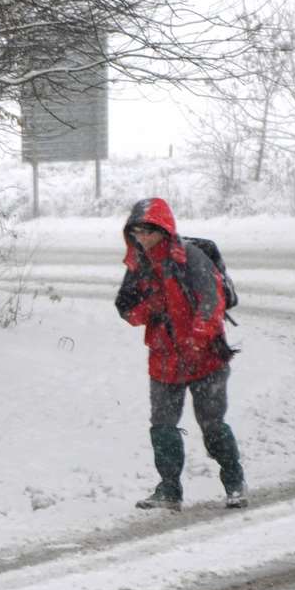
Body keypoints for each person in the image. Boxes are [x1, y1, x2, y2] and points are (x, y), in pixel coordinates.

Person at [115, 198, 246, 510]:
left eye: (148, 231)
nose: (142, 238)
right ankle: (169, 489)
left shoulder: (191, 257)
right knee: (162, 426)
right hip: (164, 358)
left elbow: (212, 302)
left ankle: (234, 480)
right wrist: (150, 309)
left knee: (212, 425)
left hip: (206, 357)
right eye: (136, 233)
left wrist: (197, 340)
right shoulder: (139, 266)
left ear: (164, 229)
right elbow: (127, 310)